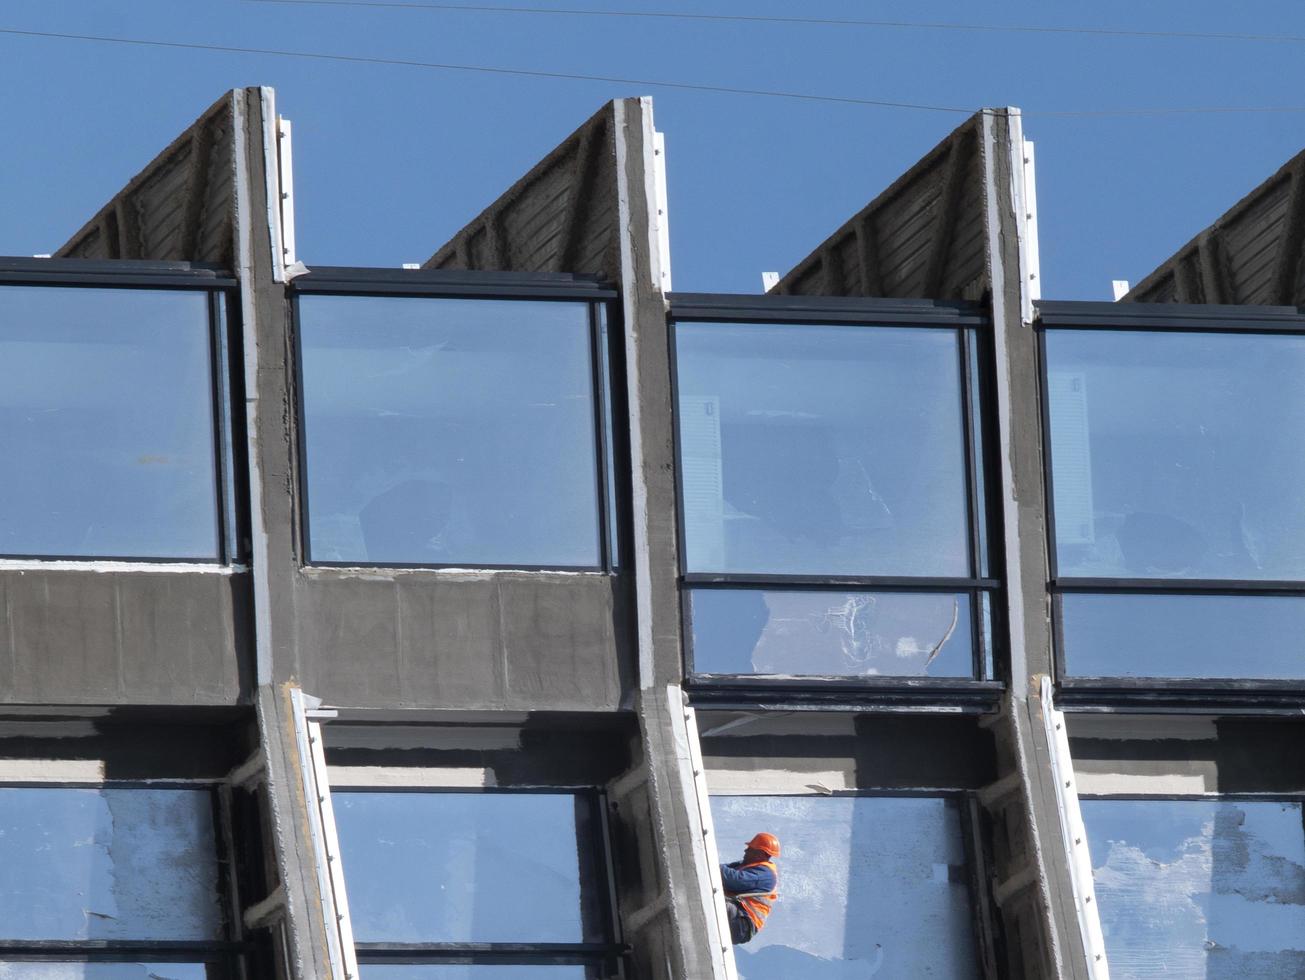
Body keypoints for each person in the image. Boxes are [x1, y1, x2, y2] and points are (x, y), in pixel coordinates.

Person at [720, 832, 780, 945]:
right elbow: (723, 871)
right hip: (738, 917)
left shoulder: (765, 874)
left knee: (714, 901)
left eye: (750, 848)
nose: (746, 851)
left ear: (761, 853)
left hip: (743, 924)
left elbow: (733, 880)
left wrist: (713, 865)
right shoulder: (747, 865)